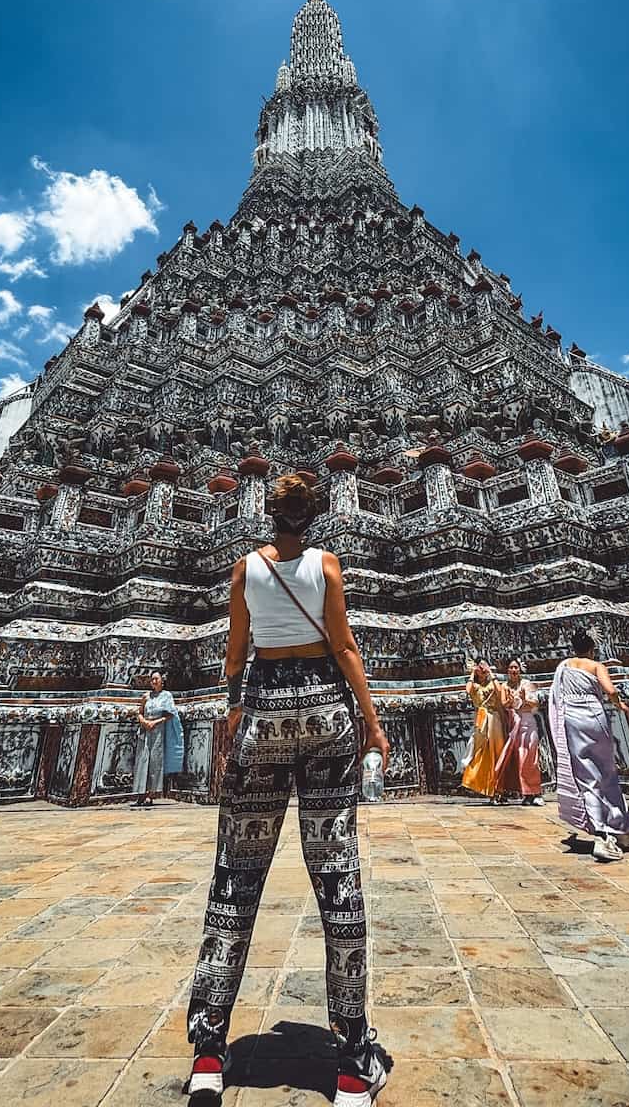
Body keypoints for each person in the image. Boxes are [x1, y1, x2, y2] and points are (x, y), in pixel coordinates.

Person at [185, 473, 390, 1107]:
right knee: (339, 880)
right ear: (314, 516)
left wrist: (233, 711)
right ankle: (353, 1060)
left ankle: (210, 1055)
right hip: (327, 713)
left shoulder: (244, 570)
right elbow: (347, 647)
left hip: (263, 714)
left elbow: (236, 650)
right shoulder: (326, 564)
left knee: (234, 882)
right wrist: (373, 723)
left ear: (269, 513)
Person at [549, 629, 629, 862]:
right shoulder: (597, 665)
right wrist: (620, 705)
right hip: (594, 716)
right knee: (607, 772)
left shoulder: (564, 666)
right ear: (592, 649)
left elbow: (556, 697)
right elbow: (611, 690)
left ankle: (603, 832)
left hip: (572, 719)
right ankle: (621, 831)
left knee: (587, 776)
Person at [461, 658, 512, 803]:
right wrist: (472, 673)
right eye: (480, 667)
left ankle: (500, 790)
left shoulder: (491, 683)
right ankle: (489, 790)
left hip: (494, 719)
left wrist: (491, 672)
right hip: (482, 721)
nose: (482, 669)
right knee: (483, 755)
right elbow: (467, 690)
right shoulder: (475, 686)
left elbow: (500, 690)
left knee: (498, 753)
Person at [131, 672, 182, 808]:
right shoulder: (146, 696)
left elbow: (171, 714)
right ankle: (140, 793)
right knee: (142, 760)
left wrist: (155, 722)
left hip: (158, 731)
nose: (153, 681)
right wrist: (143, 721)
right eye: (152, 679)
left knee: (155, 761)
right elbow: (139, 711)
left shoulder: (167, 696)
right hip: (145, 731)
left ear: (161, 681)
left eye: (156, 679)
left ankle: (150, 794)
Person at [497, 659, 544, 805]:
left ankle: (535, 792)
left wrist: (524, 700)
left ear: (520, 669)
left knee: (530, 758)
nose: (513, 670)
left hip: (528, 723)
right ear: (507, 671)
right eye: (510, 667)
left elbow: (535, 703)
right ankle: (525, 792)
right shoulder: (504, 686)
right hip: (513, 723)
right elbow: (504, 704)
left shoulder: (526, 684)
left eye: (516, 667)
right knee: (518, 758)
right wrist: (510, 701)